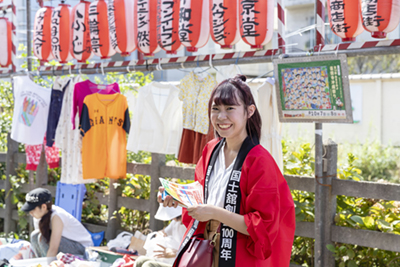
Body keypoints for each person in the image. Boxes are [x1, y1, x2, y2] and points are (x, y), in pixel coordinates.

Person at [159, 75, 295, 267]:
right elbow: (203, 191)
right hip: (206, 244)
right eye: (215, 109)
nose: (221, 117)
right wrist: (177, 195)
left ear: (249, 111)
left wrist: (214, 212)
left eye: (230, 108)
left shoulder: (259, 161)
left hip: (240, 254)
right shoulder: (211, 149)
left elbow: (262, 225)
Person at [21, 188, 94, 257]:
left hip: (83, 250)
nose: (30, 213)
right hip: (64, 244)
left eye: (32, 209)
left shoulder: (57, 216)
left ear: (44, 207)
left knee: (43, 238)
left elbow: (53, 248)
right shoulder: (38, 216)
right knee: (34, 235)